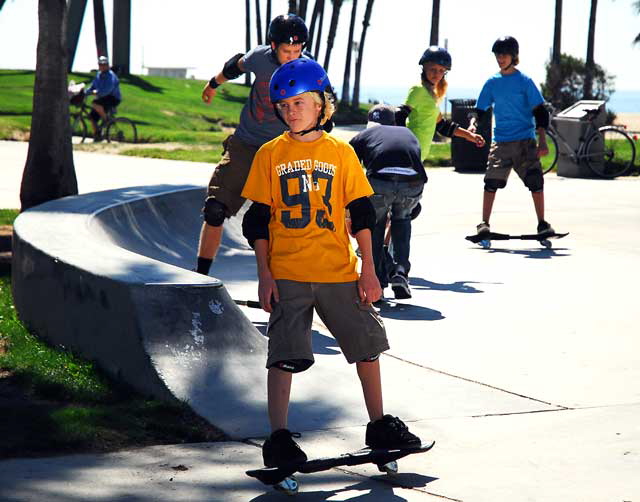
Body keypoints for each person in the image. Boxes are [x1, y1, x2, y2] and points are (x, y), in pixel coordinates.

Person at [241, 59, 421, 469]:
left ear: (323, 104)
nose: (291, 112)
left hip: (339, 272)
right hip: (287, 274)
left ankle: (378, 424)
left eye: (299, 103)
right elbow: (256, 221)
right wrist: (264, 274)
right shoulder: (270, 154)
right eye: (284, 105)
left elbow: (362, 215)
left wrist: (369, 269)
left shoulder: (342, 153)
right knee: (283, 355)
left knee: (367, 348)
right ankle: (280, 437)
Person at [195, 14, 310, 276]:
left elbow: (322, 106)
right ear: (272, 46)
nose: (292, 56)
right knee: (214, 209)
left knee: (278, 222)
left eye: (296, 50)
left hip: (283, 151)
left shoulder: (307, 69)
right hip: (245, 145)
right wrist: (213, 84)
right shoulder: (259, 57)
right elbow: (235, 66)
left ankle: (283, 281)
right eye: (285, 51)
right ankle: (200, 276)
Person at [468, 36, 554, 237]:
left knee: (535, 181)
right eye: (498, 54)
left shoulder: (525, 81)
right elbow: (479, 110)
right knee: (491, 182)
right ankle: (484, 224)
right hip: (501, 141)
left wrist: (542, 140)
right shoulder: (492, 83)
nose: (500, 58)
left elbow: (540, 112)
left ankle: (542, 223)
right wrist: (473, 125)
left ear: (514, 56)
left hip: (525, 141)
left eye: (504, 54)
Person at [349, 104, 425, 300]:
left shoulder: (366, 135)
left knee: (374, 225)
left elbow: (346, 163)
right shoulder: (408, 133)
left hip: (380, 182)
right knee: (402, 218)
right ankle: (400, 272)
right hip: (413, 183)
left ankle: (377, 281)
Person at [400, 47, 484, 162]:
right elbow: (399, 115)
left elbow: (442, 126)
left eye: (441, 70)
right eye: (433, 69)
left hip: (418, 156)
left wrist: (469, 136)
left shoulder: (431, 95)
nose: (437, 74)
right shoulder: (418, 90)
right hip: (408, 153)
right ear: (424, 68)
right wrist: (402, 144)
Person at [85, 56, 121, 140]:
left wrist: (97, 92)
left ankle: (106, 120)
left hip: (113, 98)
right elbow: (93, 86)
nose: (102, 66)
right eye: (100, 64)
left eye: (105, 64)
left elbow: (108, 89)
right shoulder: (99, 75)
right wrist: (86, 92)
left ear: (108, 65)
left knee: (95, 103)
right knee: (92, 117)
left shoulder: (111, 76)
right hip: (103, 98)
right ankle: (97, 135)